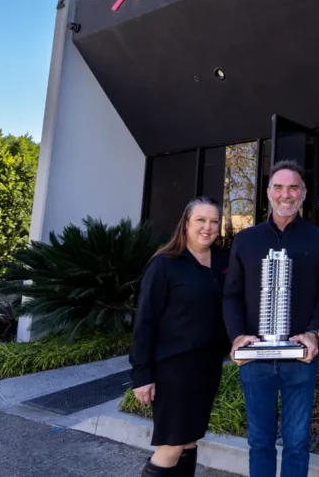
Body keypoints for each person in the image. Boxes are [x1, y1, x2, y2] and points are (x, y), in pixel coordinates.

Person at [223, 160, 319, 477]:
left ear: (303, 194)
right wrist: (236, 336)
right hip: (255, 360)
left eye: (293, 187)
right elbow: (231, 294)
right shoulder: (245, 241)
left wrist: (314, 331)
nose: (285, 194)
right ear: (268, 193)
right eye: (278, 187)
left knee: (297, 442)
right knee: (259, 441)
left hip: (299, 359)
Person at [130, 196, 230, 477]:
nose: (207, 227)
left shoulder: (223, 261)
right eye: (200, 220)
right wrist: (142, 374)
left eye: (213, 221)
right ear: (186, 223)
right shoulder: (164, 264)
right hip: (173, 369)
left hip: (207, 368)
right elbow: (145, 321)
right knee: (172, 444)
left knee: (189, 439)